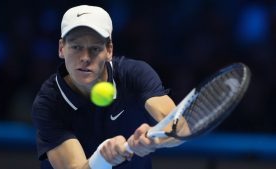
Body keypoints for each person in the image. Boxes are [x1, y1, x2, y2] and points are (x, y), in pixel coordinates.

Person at [31, 5, 188, 169]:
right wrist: (102, 159)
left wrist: (153, 140)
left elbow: (180, 127)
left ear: (109, 50)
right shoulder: (48, 103)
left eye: (95, 49)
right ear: (61, 48)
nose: (85, 58)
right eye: (76, 47)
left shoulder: (134, 75)